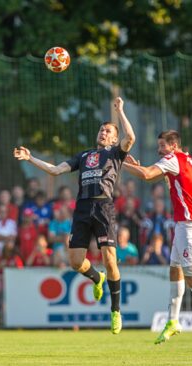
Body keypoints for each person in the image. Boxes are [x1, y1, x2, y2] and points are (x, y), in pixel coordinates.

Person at [13, 96, 135, 334]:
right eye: (101, 130)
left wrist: (120, 111)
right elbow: (56, 170)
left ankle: (115, 310)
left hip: (103, 207)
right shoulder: (84, 156)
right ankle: (96, 279)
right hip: (81, 209)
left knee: (110, 260)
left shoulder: (115, 154)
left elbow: (130, 138)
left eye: (107, 131)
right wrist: (30, 158)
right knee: (76, 262)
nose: (102, 132)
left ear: (113, 138)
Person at [123, 129, 192, 350]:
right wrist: (137, 167)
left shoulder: (172, 159)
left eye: (162, 146)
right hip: (182, 226)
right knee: (174, 270)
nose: (159, 150)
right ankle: (173, 321)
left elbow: (148, 175)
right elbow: (154, 175)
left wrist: (119, 162)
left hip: (191, 226)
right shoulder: (185, 157)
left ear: (173, 146)